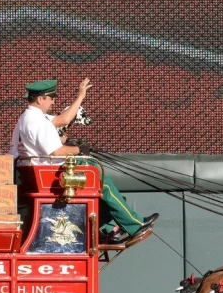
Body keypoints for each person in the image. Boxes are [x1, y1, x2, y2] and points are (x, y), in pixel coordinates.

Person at [9, 78, 157, 245]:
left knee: (96, 179)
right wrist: (79, 149)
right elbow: (56, 151)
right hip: (51, 175)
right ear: (40, 99)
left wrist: (66, 139)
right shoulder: (38, 122)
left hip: (37, 174)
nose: (53, 102)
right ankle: (134, 225)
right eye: (51, 98)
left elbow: (61, 122)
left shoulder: (27, 118)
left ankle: (108, 229)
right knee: (102, 182)